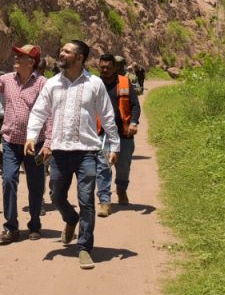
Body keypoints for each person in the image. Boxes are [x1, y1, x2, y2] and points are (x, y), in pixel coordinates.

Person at [26, 40, 119, 270]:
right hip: (59, 152)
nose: (61, 53)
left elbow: (107, 115)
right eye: (62, 50)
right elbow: (39, 111)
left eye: (67, 51)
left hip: (87, 151)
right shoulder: (52, 84)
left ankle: (84, 247)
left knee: (86, 200)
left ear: (79, 58)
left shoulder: (94, 83)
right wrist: (31, 136)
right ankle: (70, 218)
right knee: (56, 196)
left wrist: (114, 145)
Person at [0, 44, 49, 245]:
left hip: (34, 143)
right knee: (8, 180)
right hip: (10, 141)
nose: (16, 58)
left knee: (36, 185)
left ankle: (34, 224)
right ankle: (11, 227)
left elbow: (51, 112)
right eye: (16, 55)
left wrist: (49, 142)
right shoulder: (7, 79)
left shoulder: (42, 83)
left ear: (31, 62)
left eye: (21, 56)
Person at [95, 53, 141, 216]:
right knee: (103, 166)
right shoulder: (94, 84)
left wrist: (134, 122)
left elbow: (135, 105)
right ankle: (105, 201)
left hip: (124, 133)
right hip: (102, 133)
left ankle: (121, 190)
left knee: (123, 167)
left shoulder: (124, 82)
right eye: (102, 67)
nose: (105, 70)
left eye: (108, 67)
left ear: (114, 67)